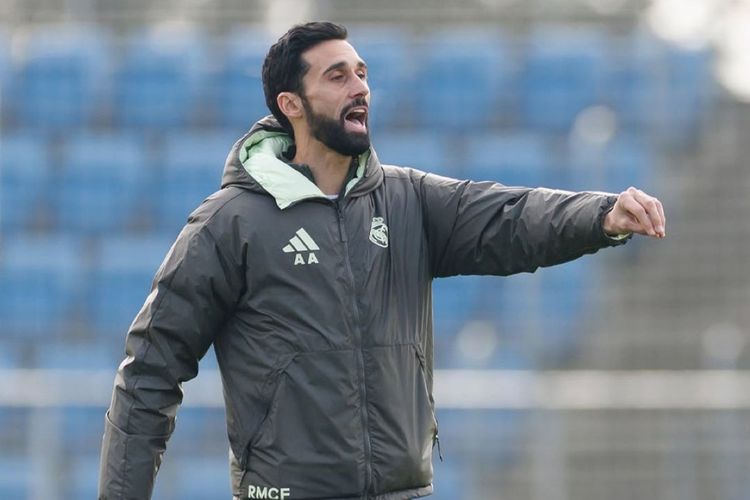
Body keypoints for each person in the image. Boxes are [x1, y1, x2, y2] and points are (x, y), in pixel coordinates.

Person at [98, 21, 666, 500]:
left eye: (362, 73)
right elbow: (149, 371)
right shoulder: (229, 224)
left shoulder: (408, 199)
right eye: (337, 76)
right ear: (291, 105)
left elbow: (510, 217)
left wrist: (601, 214)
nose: (360, 88)